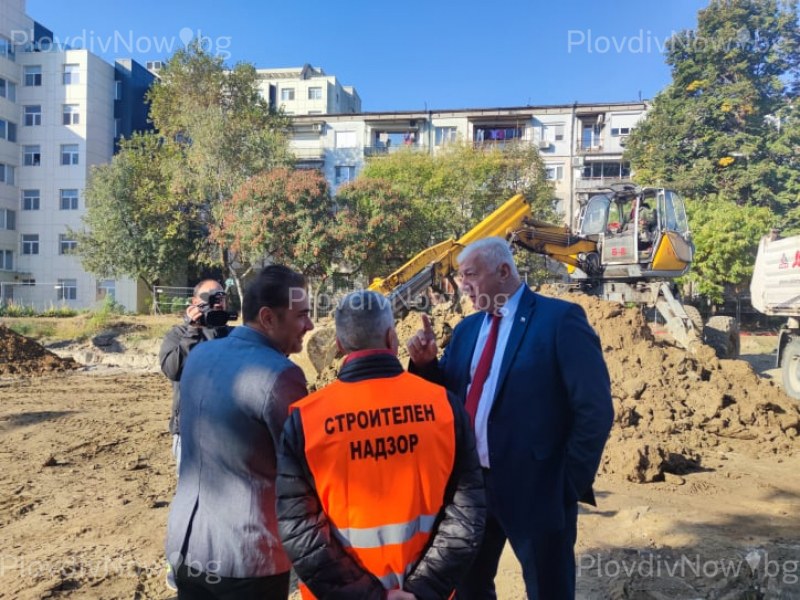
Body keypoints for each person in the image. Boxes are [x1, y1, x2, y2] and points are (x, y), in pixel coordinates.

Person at [407, 237, 614, 600]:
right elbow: (448, 398)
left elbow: (594, 410)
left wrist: (565, 484)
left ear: (503, 271)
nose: (462, 284)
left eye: (470, 274)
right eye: (459, 276)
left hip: (537, 488)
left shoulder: (559, 320)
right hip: (470, 489)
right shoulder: (468, 330)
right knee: (469, 588)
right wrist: (425, 365)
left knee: (548, 589)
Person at [276, 290, 486, 600]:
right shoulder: (444, 407)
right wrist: (422, 590)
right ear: (392, 338)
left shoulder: (305, 421)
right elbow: (467, 513)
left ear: (338, 345)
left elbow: (299, 529)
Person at [165, 265, 313, 599]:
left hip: (187, 547)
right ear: (268, 318)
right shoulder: (281, 375)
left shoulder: (201, 355)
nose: (311, 325)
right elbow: (304, 468)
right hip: (246, 559)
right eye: (302, 315)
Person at [159, 279, 234, 472]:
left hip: (231, 432)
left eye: (221, 296)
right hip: (190, 432)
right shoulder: (179, 334)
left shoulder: (235, 336)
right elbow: (173, 370)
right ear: (194, 302)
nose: (217, 300)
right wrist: (193, 331)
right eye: (210, 296)